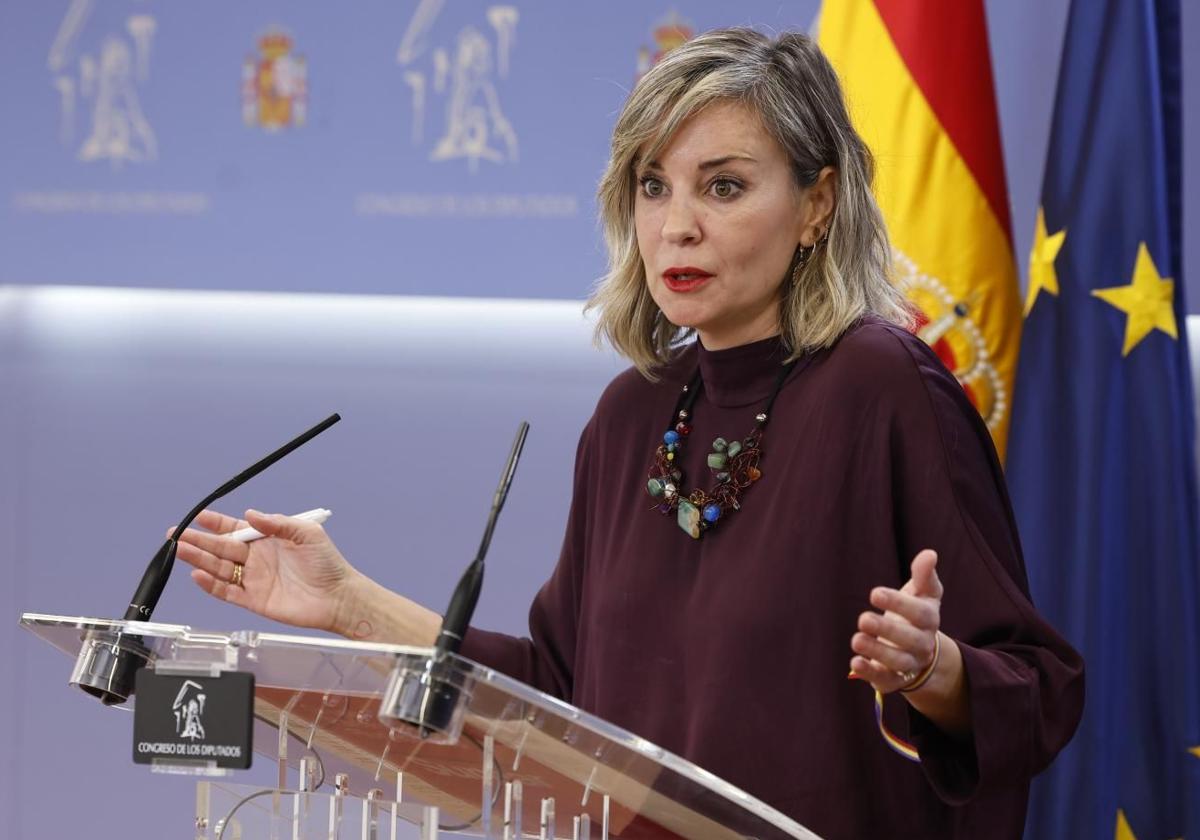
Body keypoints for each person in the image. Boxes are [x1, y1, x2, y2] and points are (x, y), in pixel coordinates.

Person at [175, 28, 1083, 839]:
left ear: (816, 205)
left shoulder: (884, 386)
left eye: (723, 186)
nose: (676, 224)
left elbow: (1039, 690)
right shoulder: (633, 414)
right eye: (655, 186)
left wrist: (932, 670)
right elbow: (564, 698)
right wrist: (346, 603)